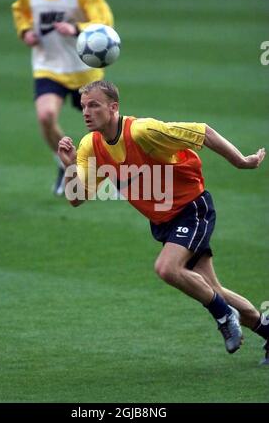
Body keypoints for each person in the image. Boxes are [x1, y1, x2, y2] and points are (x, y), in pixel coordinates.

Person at [57, 80, 268, 364]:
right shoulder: (90, 146)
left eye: (93, 105)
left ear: (113, 107)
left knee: (167, 268)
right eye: (83, 106)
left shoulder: (143, 131)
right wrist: (70, 166)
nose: (86, 112)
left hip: (192, 209)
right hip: (164, 223)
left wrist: (242, 162)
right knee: (212, 289)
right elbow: (77, 198)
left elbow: (203, 132)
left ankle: (223, 315)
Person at [12, 0, 113, 195]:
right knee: (45, 116)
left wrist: (76, 28)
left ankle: (111, 172)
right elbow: (21, 12)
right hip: (48, 66)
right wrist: (25, 31)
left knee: (106, 125)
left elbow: (104, 20)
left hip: (84, 70)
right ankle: (66, 166)